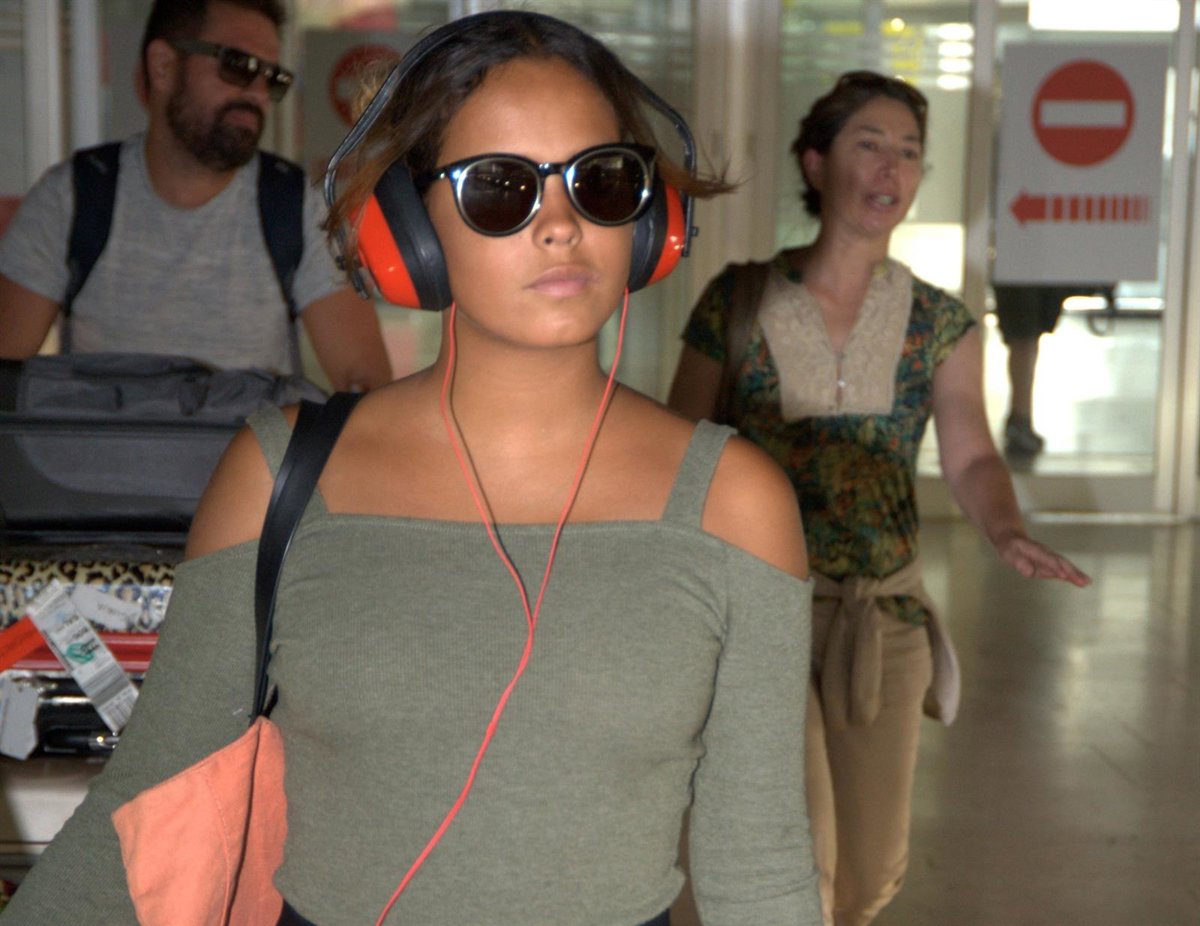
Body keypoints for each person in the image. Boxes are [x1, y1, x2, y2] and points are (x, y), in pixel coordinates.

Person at [1, 12, 822, 925]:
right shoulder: (280, 477)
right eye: (502, 189)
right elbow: (146, 799)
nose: (562, 225)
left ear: (647, 217)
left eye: (600, 180)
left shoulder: (735, 504)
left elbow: (759, 866)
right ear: (405, 229)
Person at [667, 70, 1091, 926]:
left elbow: (972, 454)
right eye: (869, 144)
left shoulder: (940, 322)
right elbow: (677, 448)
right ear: (816, 163)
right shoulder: (736, 302)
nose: (891, 167)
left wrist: (1005, 530)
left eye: (909, 152)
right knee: (800, 863)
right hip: (760, 613)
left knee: (869, 874)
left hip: (884, 616)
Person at [0, 0, 392, 392]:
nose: (257, 93)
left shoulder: (296, 207)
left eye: (272, 78)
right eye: (238, 65)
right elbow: (5, 380)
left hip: (255, 435)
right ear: (163, 66)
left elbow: (364, 385)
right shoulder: (71, 197)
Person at [992, 281, 1115, 456]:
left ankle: (1020, 418)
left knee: (1025, 340)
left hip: (1026, 278)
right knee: (1024, 340)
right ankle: (1020, 419)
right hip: (1021, 279)